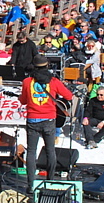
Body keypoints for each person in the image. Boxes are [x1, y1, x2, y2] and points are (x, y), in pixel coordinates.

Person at [19, 54, 72, 187]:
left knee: (31, 151)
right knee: (50, 150)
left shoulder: (27, 82)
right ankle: (50, 180)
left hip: (32, 119)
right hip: (49, 119)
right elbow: (69, 96)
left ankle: (31, 184)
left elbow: (23, 101)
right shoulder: (53, 81)